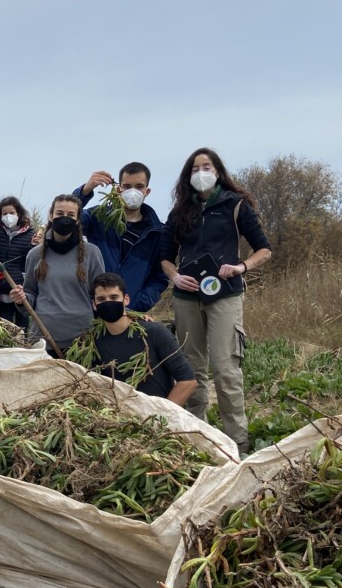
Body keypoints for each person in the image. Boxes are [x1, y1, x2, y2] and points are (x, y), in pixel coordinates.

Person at [160, 147, 272, 454]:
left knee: (225, 369)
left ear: (218, 171)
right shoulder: (179, 211)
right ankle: (199, 437)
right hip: (186, 297)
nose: (201, 173)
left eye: (206, 167)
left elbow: (264, 249)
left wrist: (241, 267)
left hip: (225, 294)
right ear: (187, 176)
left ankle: (238, 441)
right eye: (195, 168)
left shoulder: (236, 206)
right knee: (192, 370)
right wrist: (174, 277)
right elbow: (165, 258)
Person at [10, 194, 105, 355]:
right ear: (51, 215)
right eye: (60, 214)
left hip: (82, 340)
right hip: (43, 340)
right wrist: (21, 300)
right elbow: (31, 294)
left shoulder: (92, 253)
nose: (64, 218)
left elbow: (101, 295)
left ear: (78, 219)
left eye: (71, 215)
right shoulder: (35, 255)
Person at [73, 162, 170, 312]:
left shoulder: (157, 233)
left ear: (147, 191)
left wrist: (139, 302)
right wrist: (84, 192)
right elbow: (67, 219)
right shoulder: (99, 217)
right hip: (92, 307)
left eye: (139, 186)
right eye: (127, 186)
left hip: (128, 313)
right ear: (119, 189)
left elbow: (159, 277)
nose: (133, 191)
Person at [88, 273, 196, 405]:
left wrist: (162, 416)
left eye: (114, 297)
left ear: (126, 299)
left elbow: (188, 381)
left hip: (157, 413)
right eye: (101, 299)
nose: (108, 302)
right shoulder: (93, 342)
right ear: (94, 304)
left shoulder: (154, 332)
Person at [0, 196, 38, 326]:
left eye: (12, 213)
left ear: (18, 213)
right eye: (5, 213)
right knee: (4, 328)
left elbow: (31, 262)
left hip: (21, 292)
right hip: (1, 292)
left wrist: (33, 246)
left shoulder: (31, 234)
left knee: (23, 330)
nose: (8, 216)